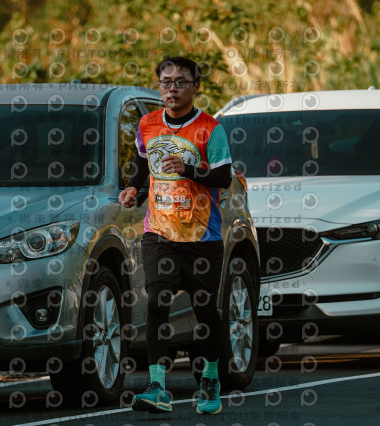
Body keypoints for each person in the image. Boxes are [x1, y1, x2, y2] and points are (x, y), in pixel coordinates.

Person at [118, 55, 232, 415]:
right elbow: (142, 165)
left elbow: (224, 177)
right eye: (166, 82)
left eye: (180, 82)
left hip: (202, 236)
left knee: (205, 310)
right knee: (157, 300)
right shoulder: (147, 124)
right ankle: (157, 386)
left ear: (195, 87)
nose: (172, 88)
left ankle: (210, 377)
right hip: (159, 232)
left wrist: (188, 169)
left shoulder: (210, 129)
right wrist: (133, 189)